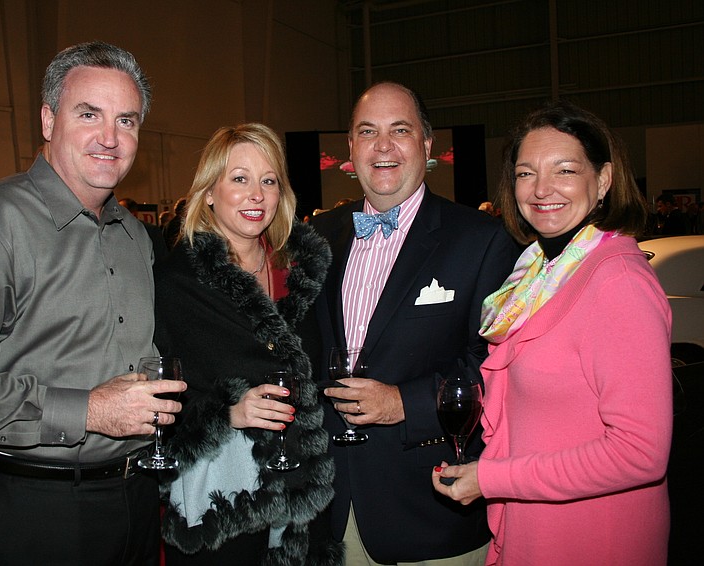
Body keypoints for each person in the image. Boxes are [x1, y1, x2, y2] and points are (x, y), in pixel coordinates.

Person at [0, 41, 186, 566]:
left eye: (127, 120)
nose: (110, 139)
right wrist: (89, 409)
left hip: (136, 499)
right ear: (49, 120)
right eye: (89, 114)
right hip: (35, 508)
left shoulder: (135, 238)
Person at [432, 101, 672, 565]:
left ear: (602, 181)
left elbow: (640, 453)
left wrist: (493, 478)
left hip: (593, 536)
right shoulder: (538, 270)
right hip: (538, 524)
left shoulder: (616, 280)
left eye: (564, 170)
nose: (542, 189)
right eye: (526, 173)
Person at [310, 82, 520, 565]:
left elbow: (493, 363)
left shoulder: (482, 240)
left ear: (426, 146)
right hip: (332, 510)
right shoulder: (317, 238)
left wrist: (403, 403)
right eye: (368, 132)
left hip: (430, 506)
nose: (382, 146)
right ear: (351, 148)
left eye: (399, 130)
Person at [153, 123, 341, 565]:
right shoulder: (177, 284)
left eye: (268, 180)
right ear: (210, 192)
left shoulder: (303, 275)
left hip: (302, 490)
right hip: (224, 498)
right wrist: (227, 411)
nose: (256, 194)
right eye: (239, 178)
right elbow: (154, 391)